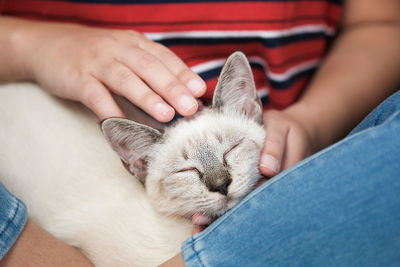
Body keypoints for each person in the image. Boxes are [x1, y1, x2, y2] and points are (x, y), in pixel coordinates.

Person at [0, 0, 399, 266]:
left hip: (306, 146)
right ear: (136, 164)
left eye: (227, 160)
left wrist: (313, 120)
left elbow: (384, 21)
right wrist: (30, 45)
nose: (218, 180)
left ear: (250, 110)